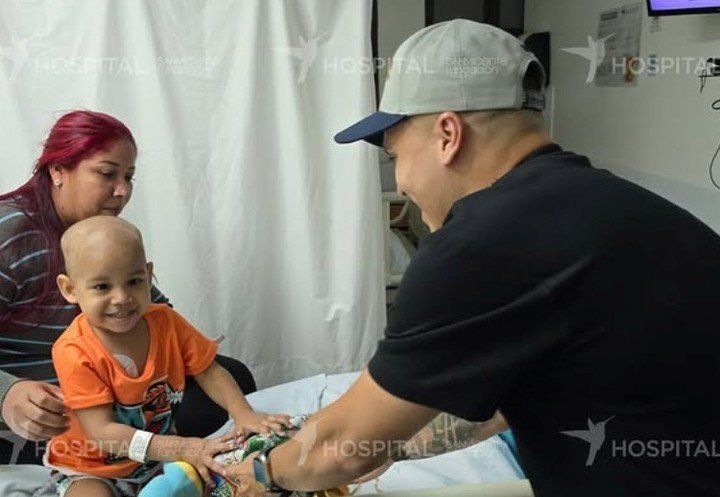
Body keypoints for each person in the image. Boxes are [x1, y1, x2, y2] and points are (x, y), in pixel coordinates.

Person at [226, 20, 720, 497]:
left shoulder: (482, 244)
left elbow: (340, 451)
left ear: (447, 134)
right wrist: (379, 442)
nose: (399, 182)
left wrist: (265, 471)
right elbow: (503, 393)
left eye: (395, 156)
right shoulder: (608, 205)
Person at [0, 110, 255, 464]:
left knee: (232, 378)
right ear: (58, 171)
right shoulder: (9, 235)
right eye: (107, 174)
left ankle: (145, 452)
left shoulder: (107, 236)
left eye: (129, 177)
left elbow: (157, 317)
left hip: (117, 395)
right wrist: (7, 394)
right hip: (47, 410)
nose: (122, 191)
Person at [44, 215, 290, 497]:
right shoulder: (73, 351)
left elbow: (210, 371)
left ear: (148, 276)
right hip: (91, 465)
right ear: (70, 289)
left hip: (159, 455)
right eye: (102, 287)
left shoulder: (166, 321)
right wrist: (184, 448)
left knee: (232, 479)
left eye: (134, 281)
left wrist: (243, 413)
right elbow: (104, 434)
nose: (122, 297)